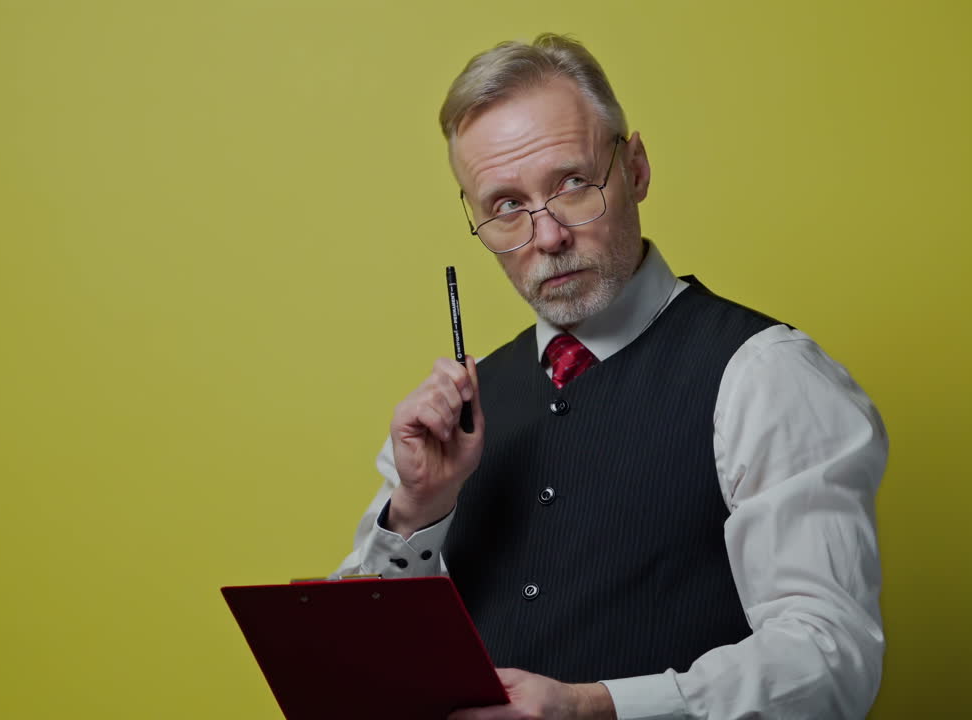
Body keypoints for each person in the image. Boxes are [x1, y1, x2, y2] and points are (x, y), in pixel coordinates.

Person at [335, 33, 888, 720]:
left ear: (636, 168)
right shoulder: (459, 414)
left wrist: (595, 707)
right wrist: (418, 510)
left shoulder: (765, 375)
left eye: (573, 183)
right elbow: (358, 669)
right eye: (507, 206)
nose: (547, 237)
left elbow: (829, 662)